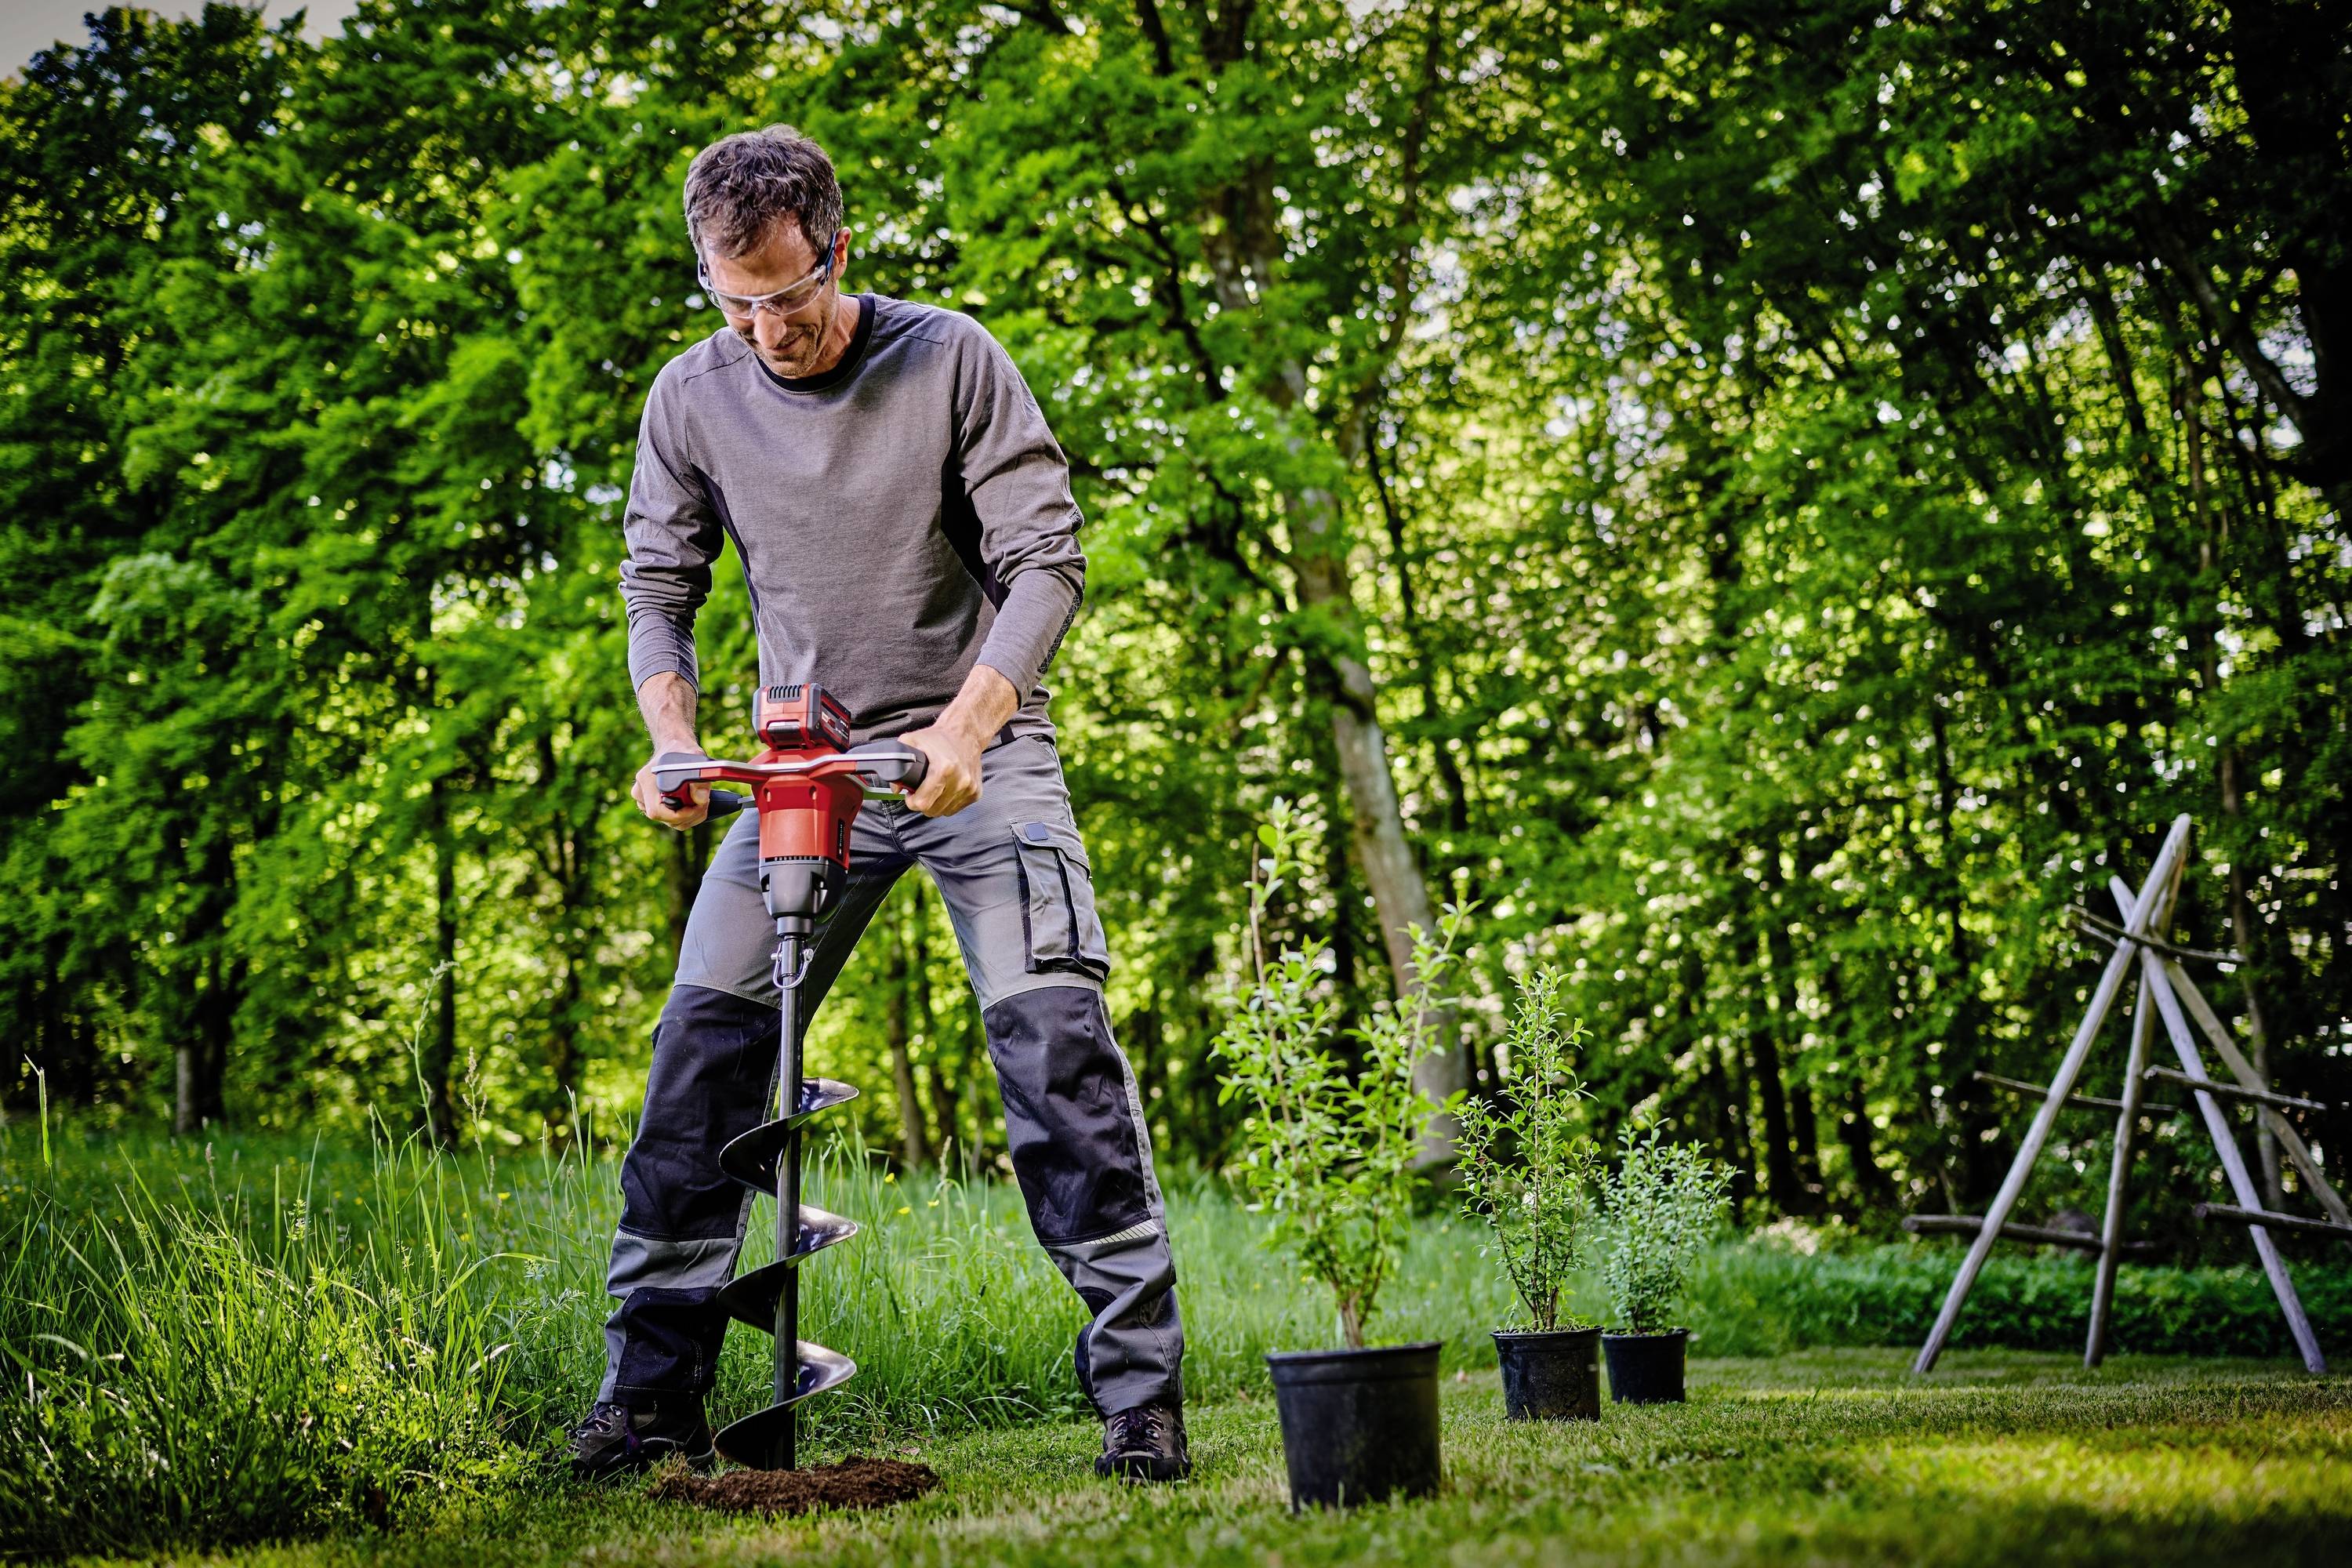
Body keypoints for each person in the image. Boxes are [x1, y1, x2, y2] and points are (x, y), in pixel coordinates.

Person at [568, 125, 1186, 1483]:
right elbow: (658, 587)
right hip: (805, 766)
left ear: (838, 252)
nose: (764, 330)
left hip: (976, 752)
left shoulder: (950, 358)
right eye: (734, 302)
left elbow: (1047, 560)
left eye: (787, 297)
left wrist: (969, 723)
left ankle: (1141, 1401)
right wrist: (672, 743)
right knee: (700, 1055)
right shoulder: (690, 396)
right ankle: (649, 1399)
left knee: (1055, 1048)